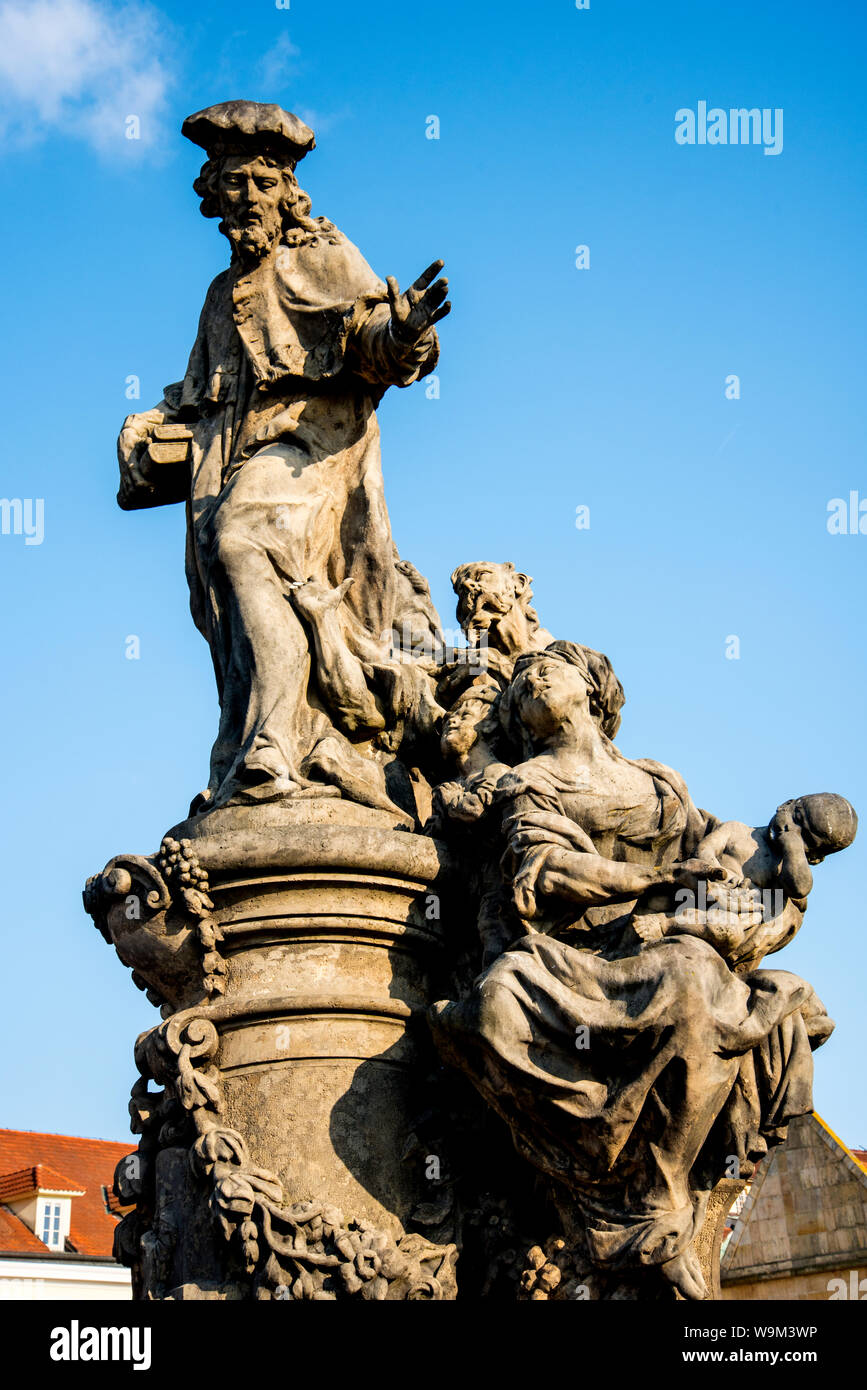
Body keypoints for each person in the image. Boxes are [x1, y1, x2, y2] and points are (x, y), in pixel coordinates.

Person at [117, 101, 450, 816]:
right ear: (212, 194)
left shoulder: (321, 254)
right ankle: (263, 741)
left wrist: (407, 331)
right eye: (230, 185)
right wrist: (147, 428)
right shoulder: (220, 293)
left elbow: (374, 340)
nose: (244, 200)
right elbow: (201, 393)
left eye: (259, 185)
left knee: (243, 543)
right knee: (232, 600)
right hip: (229, 461)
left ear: (286, 191)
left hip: (310, 454)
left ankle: (273, 743)